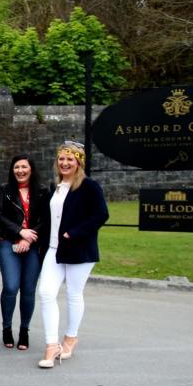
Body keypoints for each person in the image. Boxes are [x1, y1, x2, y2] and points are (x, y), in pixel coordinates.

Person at [37, 141, 109, 368]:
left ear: (79, 162)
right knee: (46, 292)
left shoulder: (89, 186)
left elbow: (101, 215)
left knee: (74, 294)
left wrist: (74, 233)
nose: (65, 163)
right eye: (61, 159)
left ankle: (70, 337)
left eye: (70, 159)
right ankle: (51, 345)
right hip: (53, 249)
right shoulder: (55, 187)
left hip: (79, 249)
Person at [0, 154, 50, 350]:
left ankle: (24, 330)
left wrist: (29, 236)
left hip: (33, 244)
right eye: (16, 167)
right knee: (10, 287)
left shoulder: (43, 191)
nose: (20, 170)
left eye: (24, 167)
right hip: (8, 242)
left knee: (28, 290)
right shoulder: (4, 190)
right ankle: (6, 328)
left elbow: (47, 219)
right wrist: (19, 232)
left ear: (31, 169)